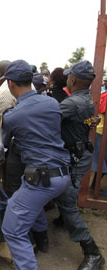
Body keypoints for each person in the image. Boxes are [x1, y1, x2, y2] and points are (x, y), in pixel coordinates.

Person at [0, 60, 71, 270]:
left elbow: (5, 143)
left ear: (11, 83)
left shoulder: (12, 115)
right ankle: (42, 240)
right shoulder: (52, 103)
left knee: (12, 229)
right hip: (61, 174)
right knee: (31, 199)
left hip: (42, 178)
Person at [54, 61, 105, 270]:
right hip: (80, 153)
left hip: (75, 157)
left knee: (67, 201)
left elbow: (47, 116)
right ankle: (63, 218)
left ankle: (93, 252)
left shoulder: (71, 103)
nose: (67, 79)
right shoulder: (87, 99)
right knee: (64, 193)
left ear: (72, 80)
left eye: (69, 76)